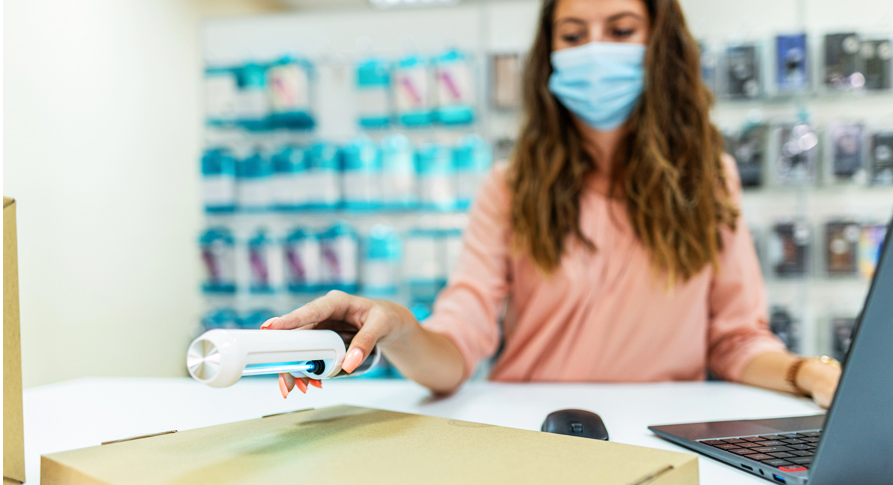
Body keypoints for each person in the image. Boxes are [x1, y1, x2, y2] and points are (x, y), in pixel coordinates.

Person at [262, 0, 842, 408]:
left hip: (664, 427)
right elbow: (458, 345)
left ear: (659, 47)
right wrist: (396, 329)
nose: (595, 50)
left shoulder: (711, 180)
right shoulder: (508, 187)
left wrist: (808, 373)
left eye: (621, 30)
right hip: (532, 430)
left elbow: (736, 340)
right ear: (549, 53)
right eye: (572, 34)